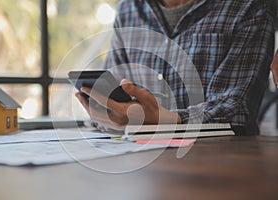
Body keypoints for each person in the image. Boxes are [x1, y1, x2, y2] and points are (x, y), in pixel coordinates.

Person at [76, 0, 275, 135]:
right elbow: (114, 90)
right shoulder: (129, 8)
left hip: (220, 165)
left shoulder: (248, 7)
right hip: (141, 166)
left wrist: (170, 119)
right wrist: (109, 115)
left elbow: (237, 109)